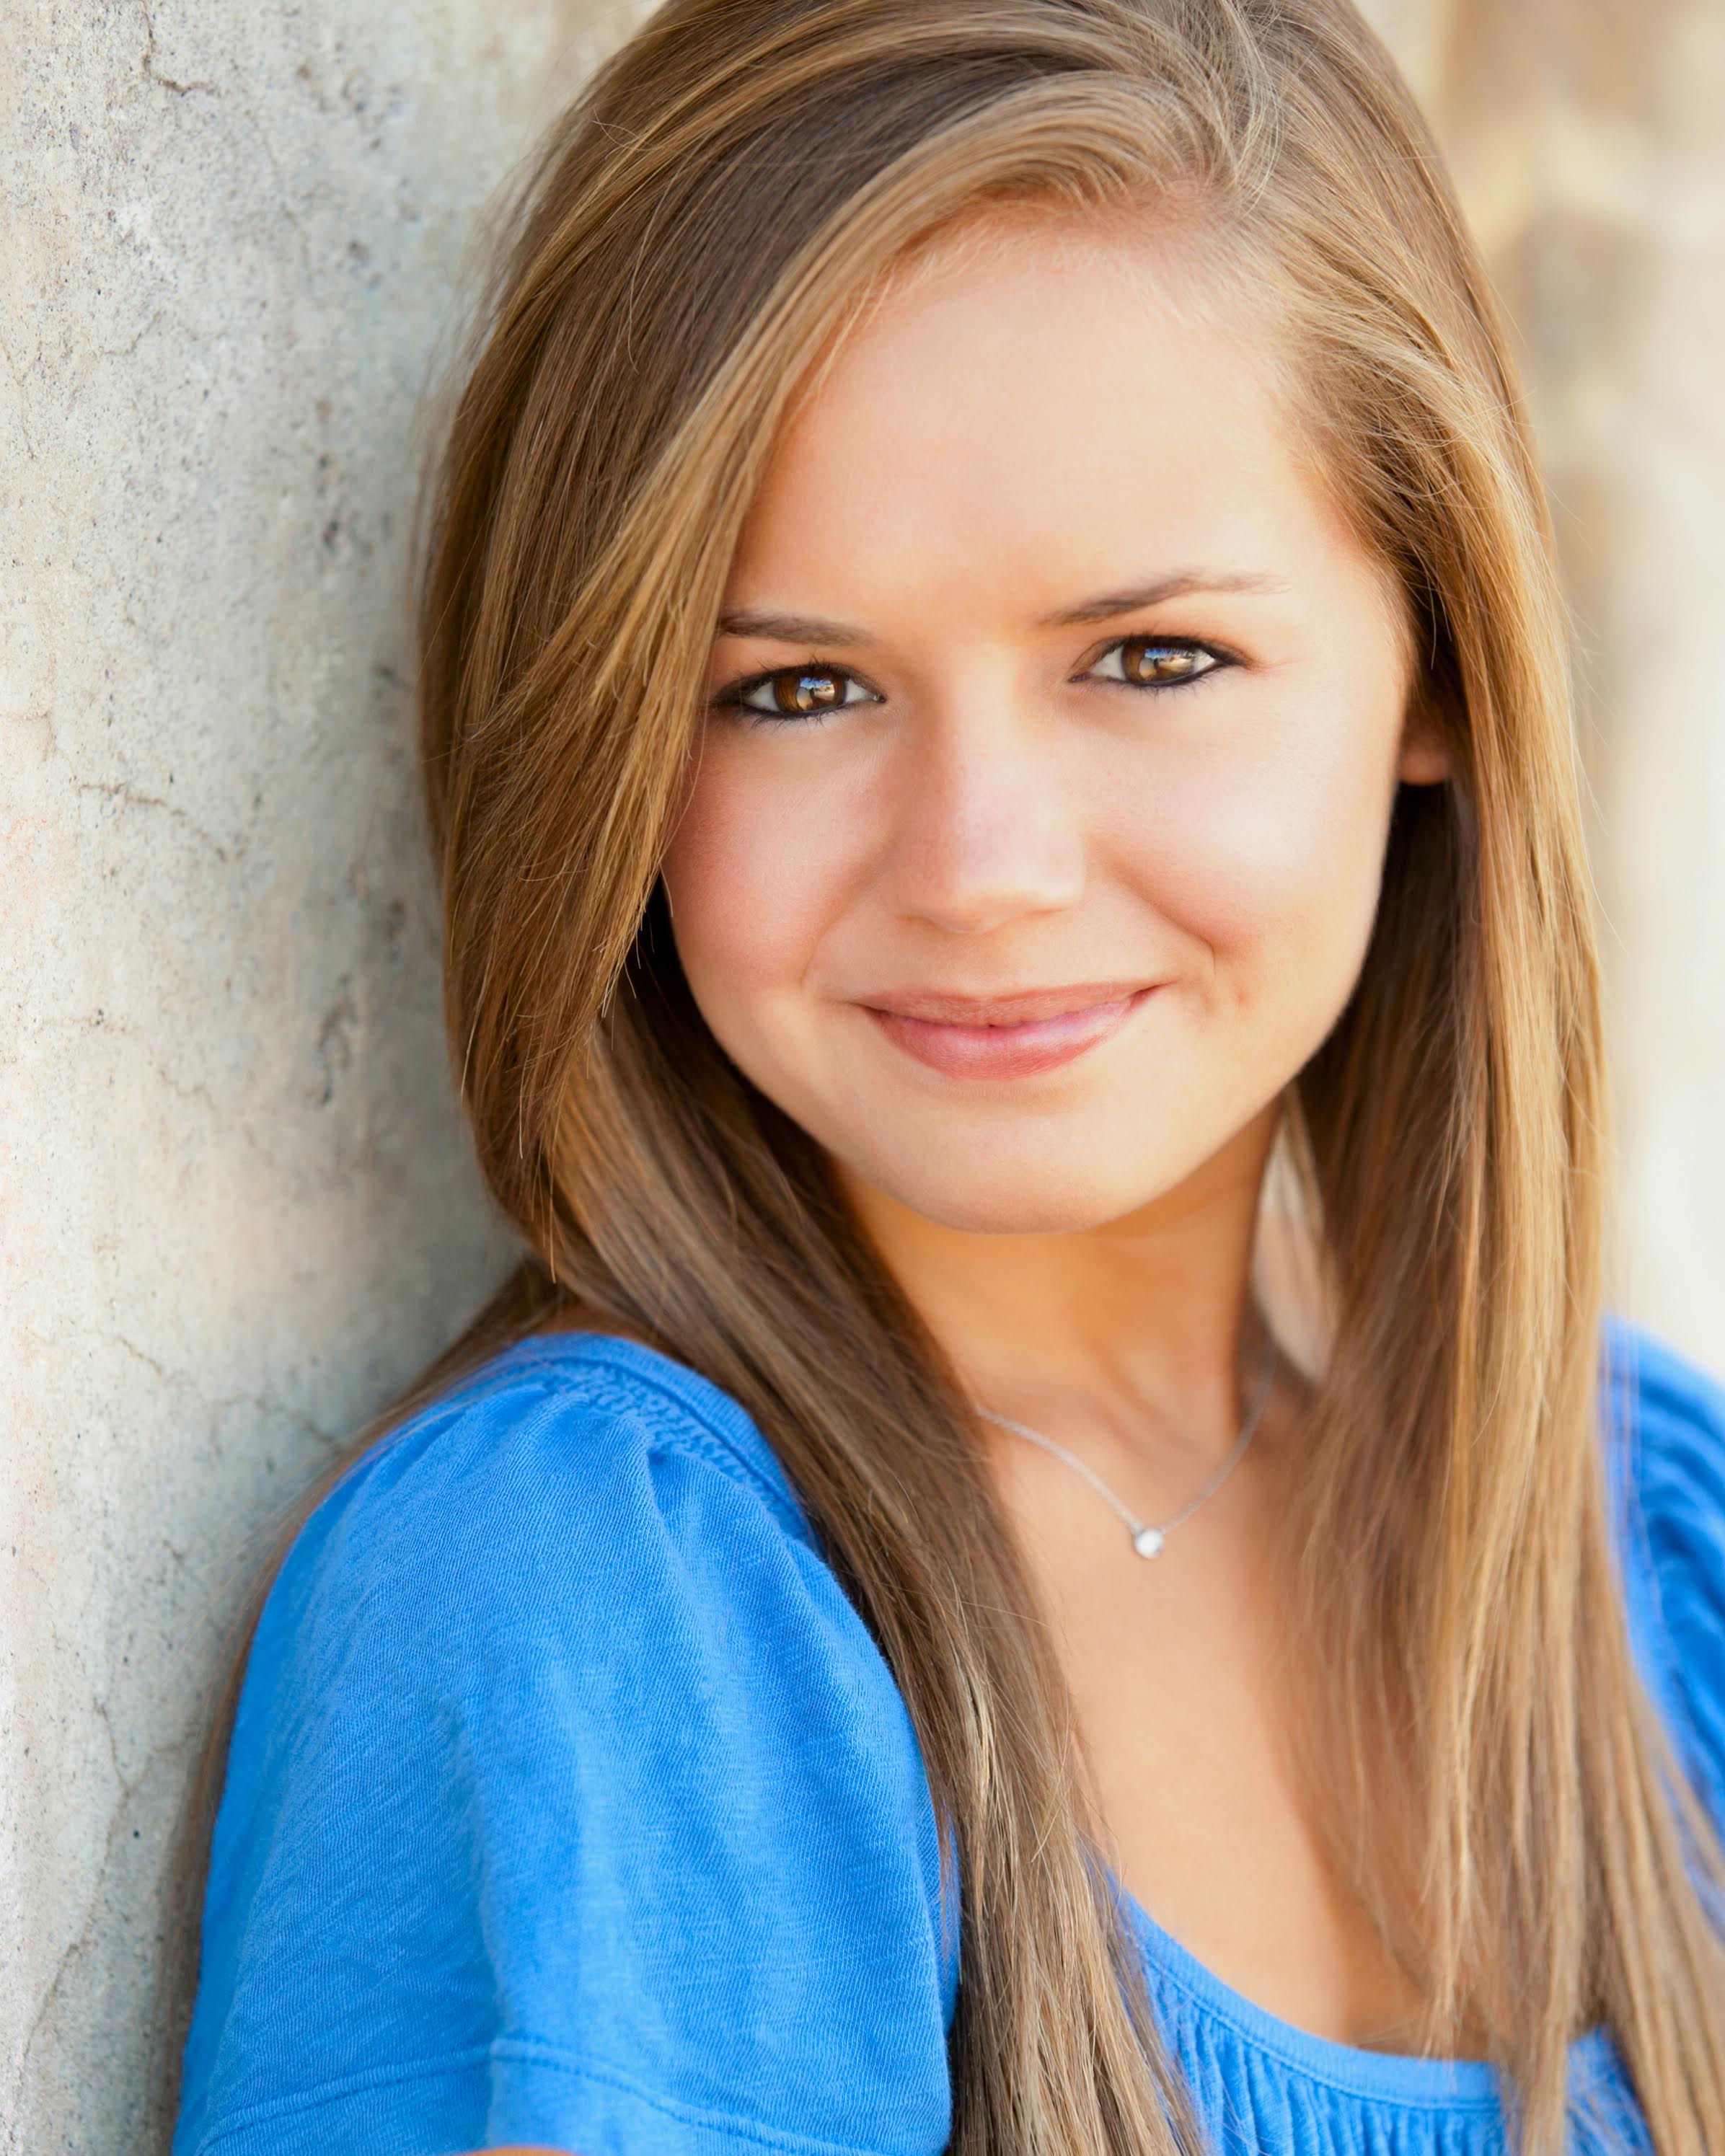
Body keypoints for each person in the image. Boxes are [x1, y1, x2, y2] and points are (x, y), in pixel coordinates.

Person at [163, 1, 1725, 2152]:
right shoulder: (619, 1613)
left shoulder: (1658, 1556)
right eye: (795, 689)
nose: (981, 869)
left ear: (1435, 664)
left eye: (1151, 659)